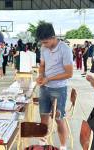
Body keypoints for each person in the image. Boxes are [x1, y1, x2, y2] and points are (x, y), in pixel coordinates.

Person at [36, 22, 73, 150]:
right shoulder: (43, 48)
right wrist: (41, 75)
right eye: (42, 43)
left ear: (53, 37)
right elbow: (42, 65)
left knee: (58, 118)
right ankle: (42, 144)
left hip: (59, 88)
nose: (43, 45)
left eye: (45, 42)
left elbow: (69, 73)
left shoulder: (65, 49)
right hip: (44, 88)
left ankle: (63, 146)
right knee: (43, 116)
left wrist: (48, 78)